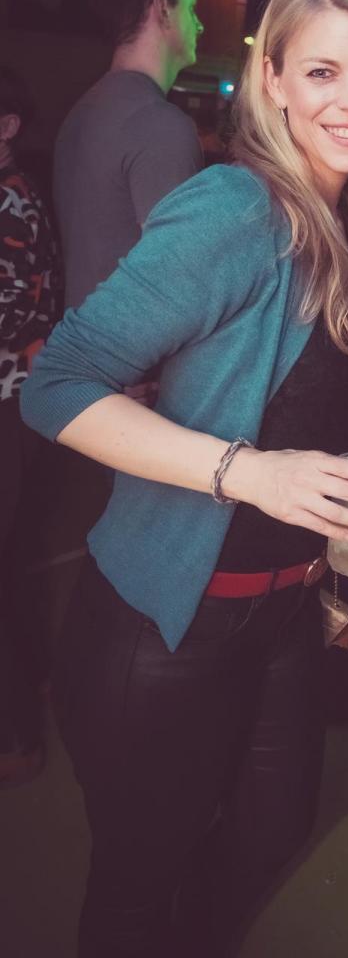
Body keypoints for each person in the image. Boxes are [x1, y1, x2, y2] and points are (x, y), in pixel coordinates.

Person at [21, 0, 348, 958]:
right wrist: (251, 473)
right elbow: (57, 383)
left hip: (285, 612)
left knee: (269, 835)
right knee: (140, 885)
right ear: (270, 79)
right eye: (321, 72)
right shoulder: (239, 209)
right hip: (168, 625)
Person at [54, 0, 203, 312]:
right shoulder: (159, 124)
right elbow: (179, 279)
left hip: (81, 336)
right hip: (134, 345)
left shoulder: (79, 113)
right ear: (162, 8)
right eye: (190, 8)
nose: (199, 24)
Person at [0, 67, 60, 786]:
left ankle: (15, 734)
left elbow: (16, 314)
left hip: (10, 407)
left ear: (8, 127)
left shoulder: (11, 200)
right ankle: (36, 682)